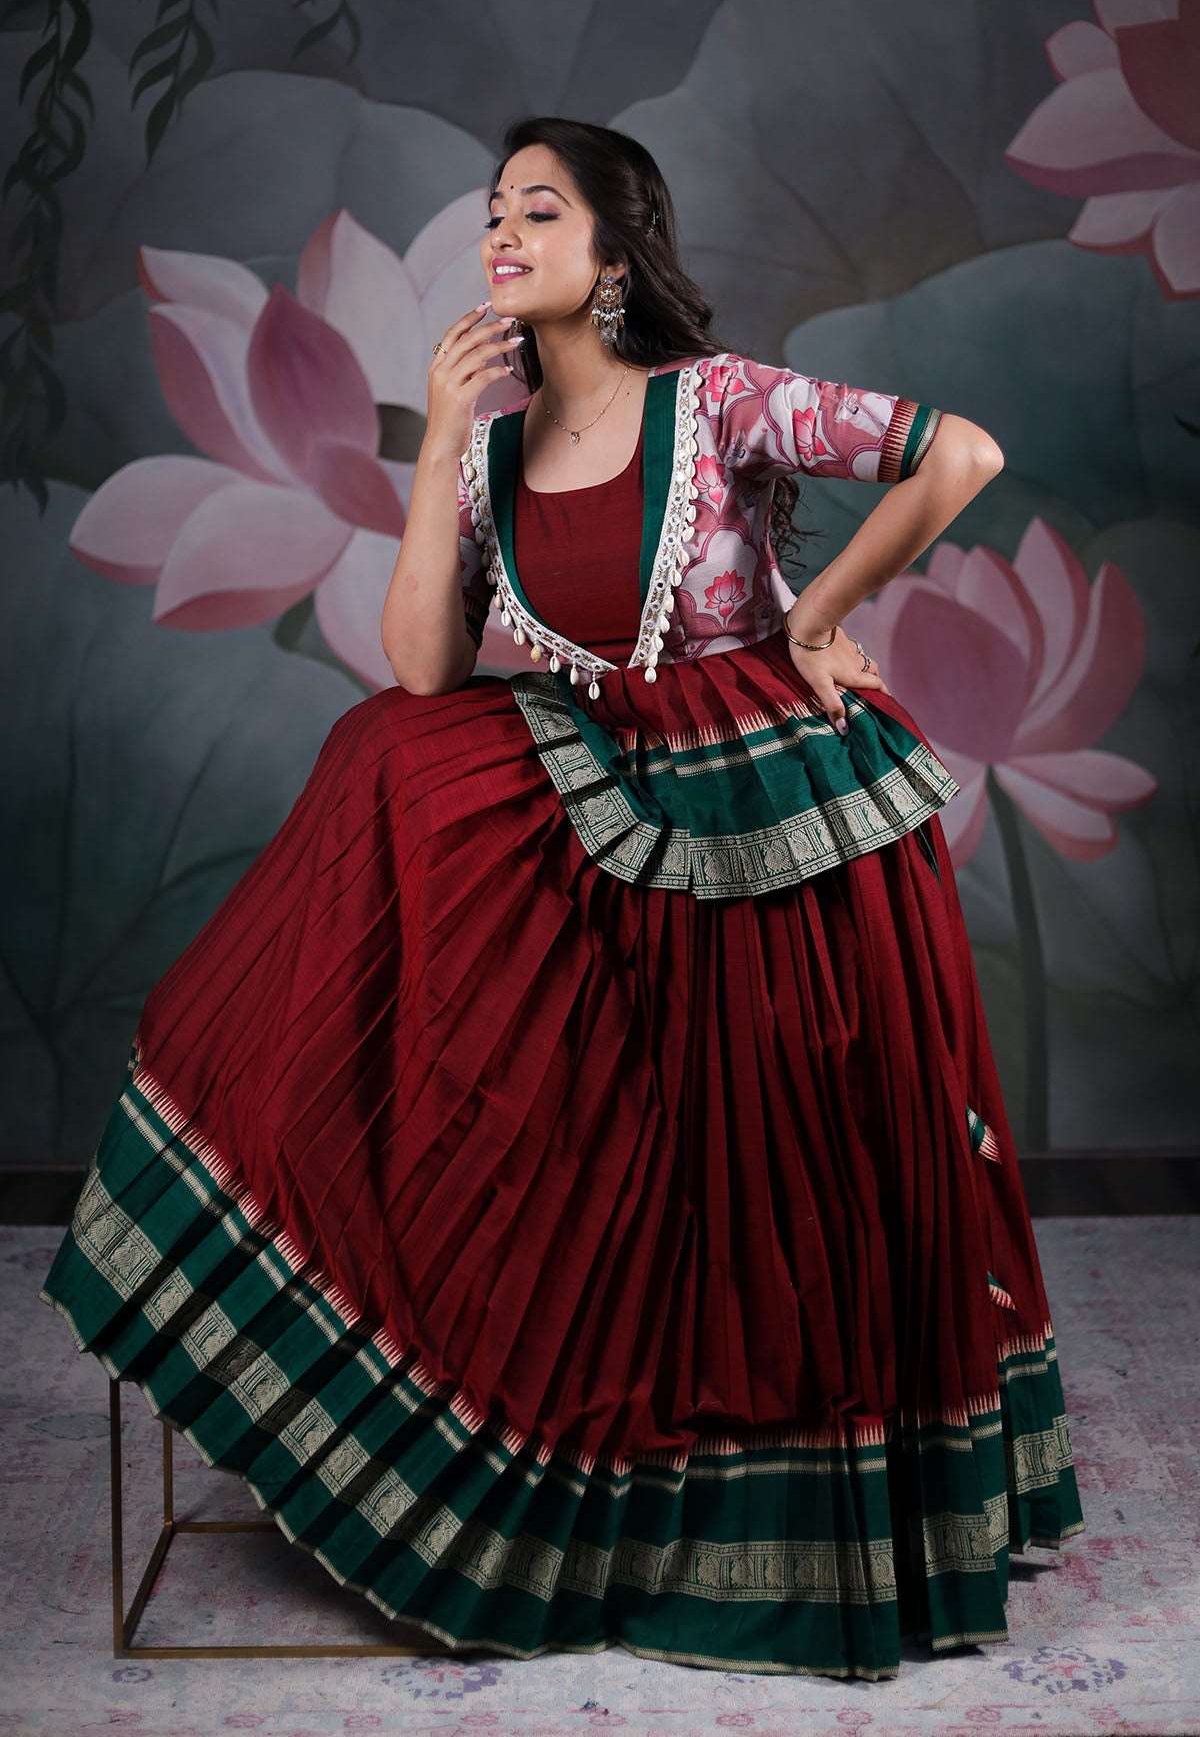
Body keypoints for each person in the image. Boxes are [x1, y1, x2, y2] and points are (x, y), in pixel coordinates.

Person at [40, 115, 1085, 1682]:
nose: (503, 236)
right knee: (390, 755)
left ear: (614, 250)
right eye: (491, 215)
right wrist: (435, 436)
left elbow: (965, 453)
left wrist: (826, 618)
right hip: (612, 805)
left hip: (764, 814)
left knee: (782, 1181)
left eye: (541, 210)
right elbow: (418, 668)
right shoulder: (491, 448)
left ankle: (816, 1518)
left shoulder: (718, 399)